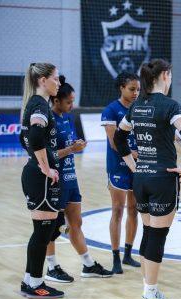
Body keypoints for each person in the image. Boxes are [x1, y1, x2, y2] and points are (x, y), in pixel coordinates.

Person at [114, 58, 181, 299]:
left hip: (141, 179)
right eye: (170, 75)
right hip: (162, 179)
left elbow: (119, 137)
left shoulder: (136, 106)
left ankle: (149, 292)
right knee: (157, 237)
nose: (170, 80)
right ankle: (150, 296)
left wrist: (133, 166)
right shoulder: (171, 106)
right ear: (164, 76)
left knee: (149, 234)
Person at [44, 75, 113, 283]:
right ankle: (51, 267)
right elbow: (49, 154)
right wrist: (72, 149)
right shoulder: (48, 120)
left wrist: (77, 144)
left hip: (71, 177)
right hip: (55, 179)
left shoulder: (68, 117)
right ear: (56, 100)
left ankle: (88, 264)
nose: (72, 105)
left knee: (76, 222)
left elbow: (69, 143)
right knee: (50, 226)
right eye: (68, 102)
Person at [19, 62, 64, 298]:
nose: (59, 83)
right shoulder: (39, 105)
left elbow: (23, 138)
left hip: (35, 175)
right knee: (43, 232)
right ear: (42, 80)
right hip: (41, 178)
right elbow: (34, 137)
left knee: (42, 231)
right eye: (55, 78)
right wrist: (45, 168)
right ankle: (36, 284)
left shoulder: (36, 105)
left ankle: (30, 280)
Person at [101, 72, 141, 274]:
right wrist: (133, 153)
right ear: (121, 88)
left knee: (134, 210)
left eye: (138, 89)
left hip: (138, 167)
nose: (135, 93)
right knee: (118, 210)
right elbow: (114, 142)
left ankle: (127, 254)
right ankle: (115, 257)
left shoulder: (140, 108)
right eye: (132, 89)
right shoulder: (111, 110)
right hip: (118, 166)